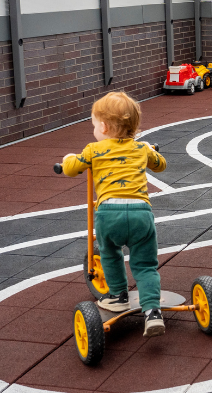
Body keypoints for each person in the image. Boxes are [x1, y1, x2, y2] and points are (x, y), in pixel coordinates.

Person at [62, 91, 168, 337]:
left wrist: (68, 159)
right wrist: (152, 152)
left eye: (94, 126)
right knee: (145, 264)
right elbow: (161, 164)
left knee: (109, 253)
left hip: (109, 213)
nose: (94, 131)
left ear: (104, 126)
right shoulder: (142, 148)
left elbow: (70, 168)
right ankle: (152, 312)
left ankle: (119, 295)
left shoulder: (93, 150)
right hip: (141, 213)